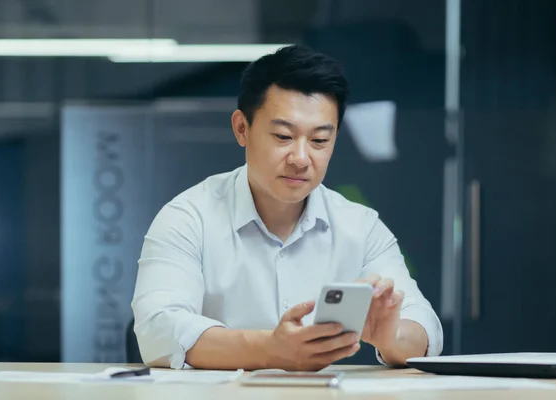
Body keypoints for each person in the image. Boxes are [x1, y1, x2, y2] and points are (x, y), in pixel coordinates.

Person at [131, 44, 443, 371]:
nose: (301, 159)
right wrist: (270, 350)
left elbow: (425, 328)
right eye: (283, 136)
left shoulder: (360, 226)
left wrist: (390, 335)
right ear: (242, 129)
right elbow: (157, 329)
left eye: (320, 141)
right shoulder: (189, 218)